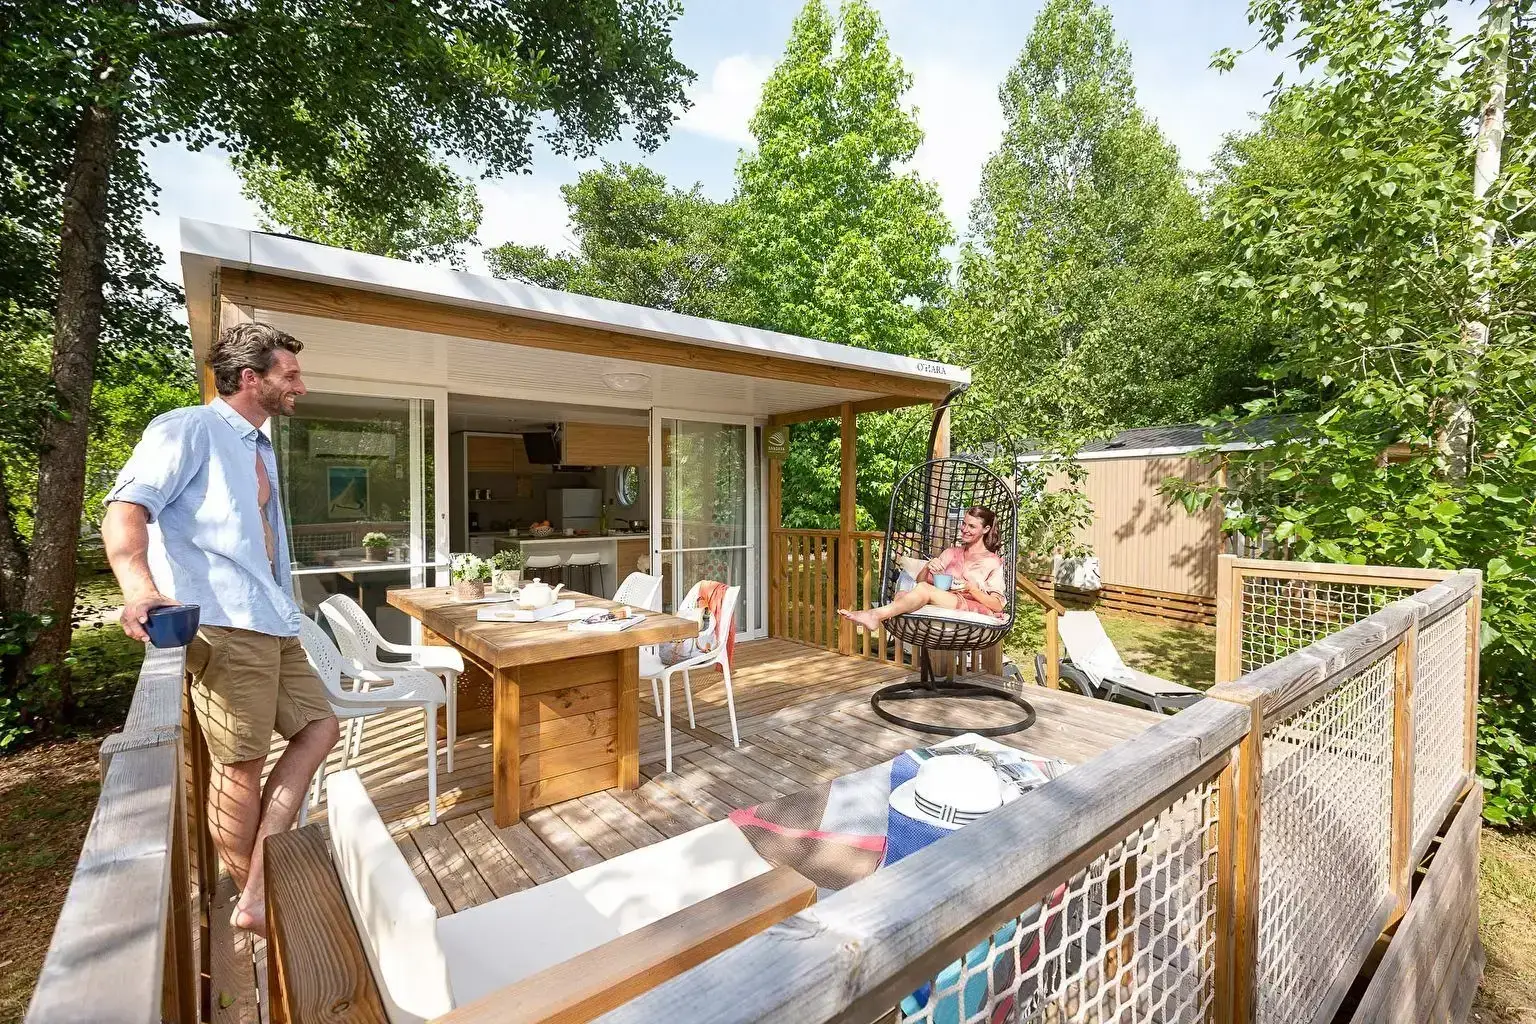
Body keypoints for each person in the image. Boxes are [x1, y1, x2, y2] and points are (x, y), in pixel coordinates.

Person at [102, 322, 339, 937]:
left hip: (270, 618)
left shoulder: (258, 448)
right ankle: (256, 899)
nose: (301, 386)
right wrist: (140, 590)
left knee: (320, 728)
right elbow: (127, 509)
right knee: (240, 768)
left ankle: (259, 885)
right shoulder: (189, 428)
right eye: (291, 375)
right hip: (224, 624)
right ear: (251, 378)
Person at [839, 506, 1007, 630]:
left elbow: (998, 605)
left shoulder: (991, 561)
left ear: (986, 529)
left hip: (973, 607)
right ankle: (903, 636)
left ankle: (875, 615)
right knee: (903, 594)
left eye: (971, 526)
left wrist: (972, 589)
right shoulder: (951, 553)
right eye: (963, 524)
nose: (964, 529)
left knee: (921, 591)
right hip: (946, 600)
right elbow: (921, 583)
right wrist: (928, 567)